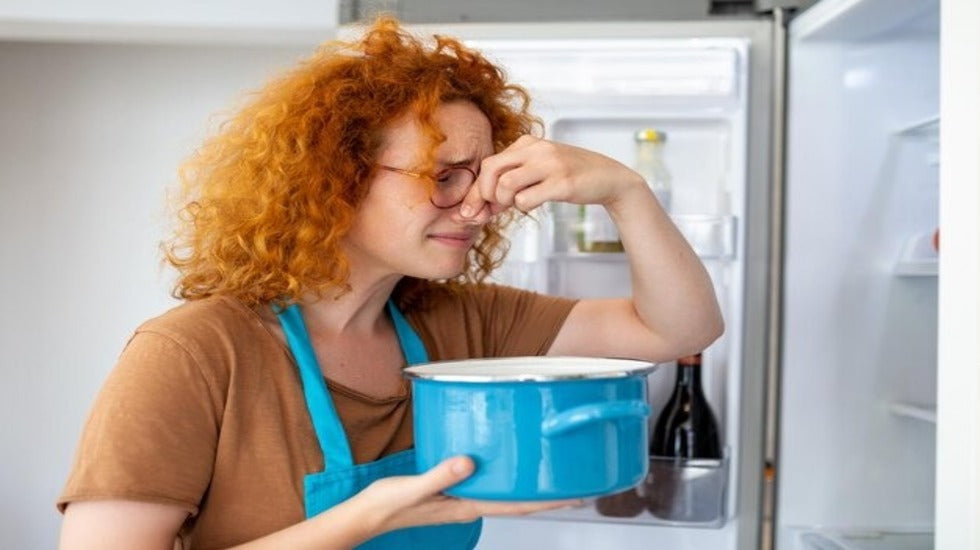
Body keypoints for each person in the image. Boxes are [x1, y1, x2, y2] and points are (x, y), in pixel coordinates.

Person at [57, 15, 723, 550]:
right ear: (337, 180)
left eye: (485, 175)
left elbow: (680, 330)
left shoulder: (459, 322)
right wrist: (365, 519)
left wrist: (627, 194)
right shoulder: (194, 355)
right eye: (444, 174)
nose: (477, 205)